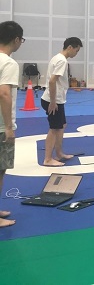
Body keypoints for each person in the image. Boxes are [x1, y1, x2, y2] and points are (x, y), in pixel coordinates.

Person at [40, 37, 83, 167]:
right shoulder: (62, 61)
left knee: (62, 125)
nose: (76, 53)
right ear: (70, 47)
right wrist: (53, 102)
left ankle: (59, 153)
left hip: (56, 99)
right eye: (76, 50)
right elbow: (52, 81)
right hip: (53, 101)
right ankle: (47, 159)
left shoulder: (57, 58)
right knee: (54, 129)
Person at [0, 21, 24, 228]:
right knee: (0, 170)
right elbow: (4, 93)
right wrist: (8, 127)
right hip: (0, 127)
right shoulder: (9, 63)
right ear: (16, 39)